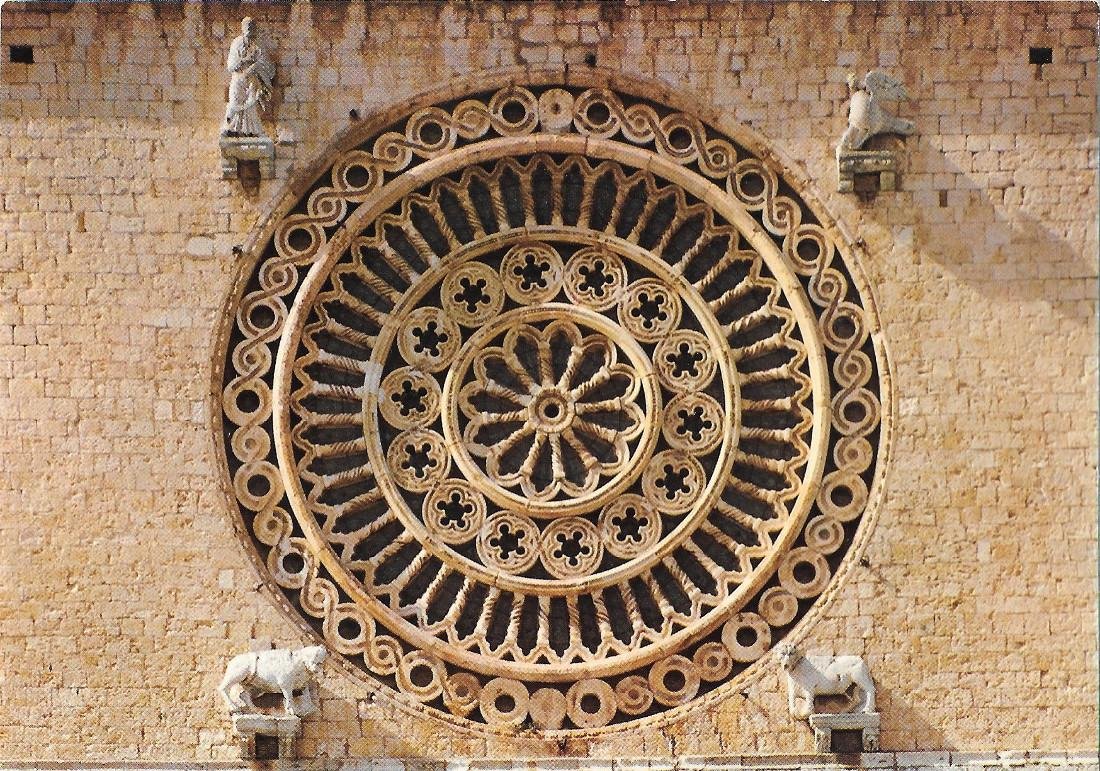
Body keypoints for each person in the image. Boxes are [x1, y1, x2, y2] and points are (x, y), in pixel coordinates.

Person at [221, 17, 275, 138]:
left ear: (255, 28)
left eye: (251, 26)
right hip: (238, 79)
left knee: (252, 107)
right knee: (234, 102)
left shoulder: (258, 45)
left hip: (252, 81)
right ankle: (229, 127)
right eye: (247, 26)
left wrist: (255, 66)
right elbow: (231, 66)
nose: (249, 28)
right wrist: (245, 60)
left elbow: (267, 65)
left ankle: (252, 131)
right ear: (242, 28)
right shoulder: (237, 43)